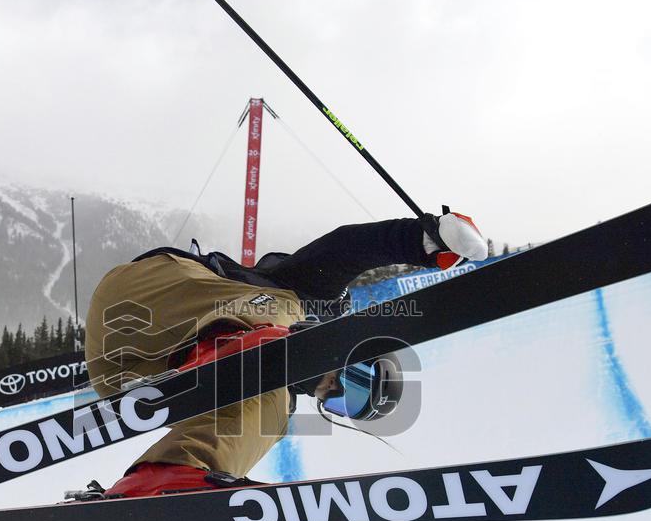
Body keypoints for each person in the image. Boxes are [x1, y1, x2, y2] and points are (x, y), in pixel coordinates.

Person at [77, 211, 487, 499]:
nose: (334, 389)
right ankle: (249, 346)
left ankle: (165, 476)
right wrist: (427, 238)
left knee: (273, 402)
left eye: (347, 404)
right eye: (356, 377)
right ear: (349, 345)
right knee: (288, 320)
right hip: (150, 295)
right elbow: (348, 249)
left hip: (118, 372)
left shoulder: (274, 391)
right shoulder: (312, 298)